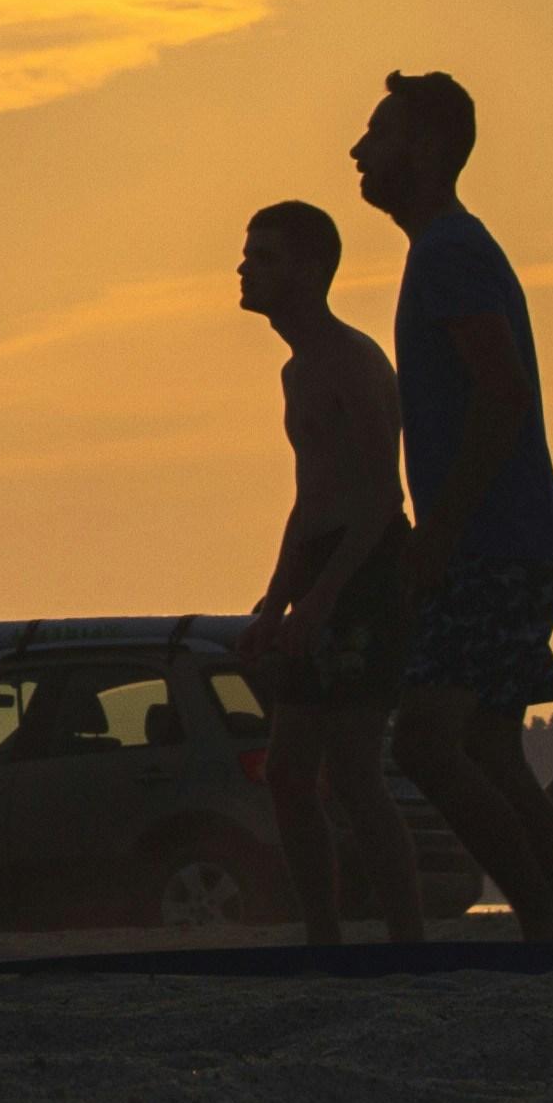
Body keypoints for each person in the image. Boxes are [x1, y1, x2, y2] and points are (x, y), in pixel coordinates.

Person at [353, 71, 553, 944]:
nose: (358, 150)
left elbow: (501, 391)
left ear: (423, 150)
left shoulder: (449, 253)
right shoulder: (447, 249)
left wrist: (444, 530)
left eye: (378, 133)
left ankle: (546, 924)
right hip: (514, 538)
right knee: (492, 750)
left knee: (426, 745)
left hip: (495, 542)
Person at [229, 201, 427, 949]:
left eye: (264, 256)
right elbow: (310, 495)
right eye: (248, 254)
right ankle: (324, 937)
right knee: (288, 772)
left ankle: (406, 937)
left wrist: (325, 595)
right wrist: (278, 599)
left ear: (309, 270)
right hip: (324, 567)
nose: (245, 268)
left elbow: (382, 496)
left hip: (366, 570)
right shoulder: (298, 369)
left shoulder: (350, 360)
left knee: (351, 770)